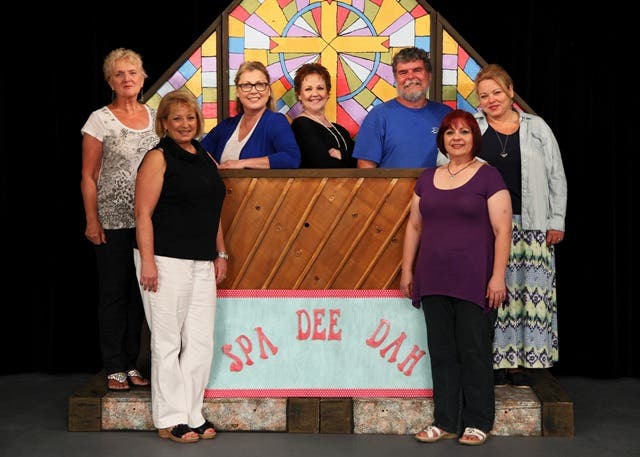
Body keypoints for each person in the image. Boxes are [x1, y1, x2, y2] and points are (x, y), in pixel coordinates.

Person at [400, 110, 512, 446]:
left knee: (474, 351)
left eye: (464, 132)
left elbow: (503, 230)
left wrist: (497, 277)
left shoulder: (489, 177)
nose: (457, 138)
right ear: (443, 140)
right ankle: (445, 420)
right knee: (442, 352)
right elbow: (414, 226)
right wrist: (407, 270)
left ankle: (478, 421)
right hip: (433, 277)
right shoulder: (428, 178)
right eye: (450, 132)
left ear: (474, 138)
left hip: (474, 279)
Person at [134, 89, 227, 443]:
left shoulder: (204, 156)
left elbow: (213, 210)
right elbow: (142, 213)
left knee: (201, 341)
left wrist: (221, 254)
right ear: (164, 123)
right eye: (177, 118)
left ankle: (192, 412)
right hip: (164, 259)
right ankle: (170, 417)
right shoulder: (158, 158)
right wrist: (148, 261)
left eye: (190, 118)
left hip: (202, 260)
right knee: (168, 341)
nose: (185, 124)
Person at [473, 64, 567, 388]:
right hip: (486, 229)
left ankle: (523, 364)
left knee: (529, 296)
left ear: (510, 91)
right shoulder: (472, 128)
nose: (491, 99)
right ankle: (495, 362)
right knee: (494, 295)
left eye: (496, 92)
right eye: (484, 95)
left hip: (533, 225)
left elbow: (556, 176)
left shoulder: (536, 128)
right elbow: (449, 164)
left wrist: (556, 220)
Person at [80, 48, 157, 391]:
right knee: (114, 293)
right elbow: (88, 175)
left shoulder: (156, 116)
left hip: (150, 221)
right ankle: (114, 366)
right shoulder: (99, 120)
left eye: (133, 72)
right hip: (112, 220)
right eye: (119, 74)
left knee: (141, 294)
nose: (127, 79)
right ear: (110, 81)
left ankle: (132, 363)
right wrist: (91, 219)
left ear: (143, 78)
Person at [352, 47, 452, 168]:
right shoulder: (378, 116)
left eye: (417, 70)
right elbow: (365, 167)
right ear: (396, 78)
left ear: (429, 75)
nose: (410, 77)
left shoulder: (446, 115)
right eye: (403, 72)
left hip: (439, 181)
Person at [201, 61, 301, 169]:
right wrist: (214, 167)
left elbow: (292, 158)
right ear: (238, 92)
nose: (253, 91)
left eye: (260, 85)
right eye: (246, 85)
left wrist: (243, 163)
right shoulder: (226, 126)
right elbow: (197, 150)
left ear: (268, 90)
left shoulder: (276, 122)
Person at [291, 63, 355, 168]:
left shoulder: (341, 130)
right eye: (308, 89)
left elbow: (361, 161)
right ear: (299, 95)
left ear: (328, 93)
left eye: (320, 88)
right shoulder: (301, 125)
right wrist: (349, 158)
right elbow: (324, 165)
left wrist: (343, 155)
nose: (315, 94)